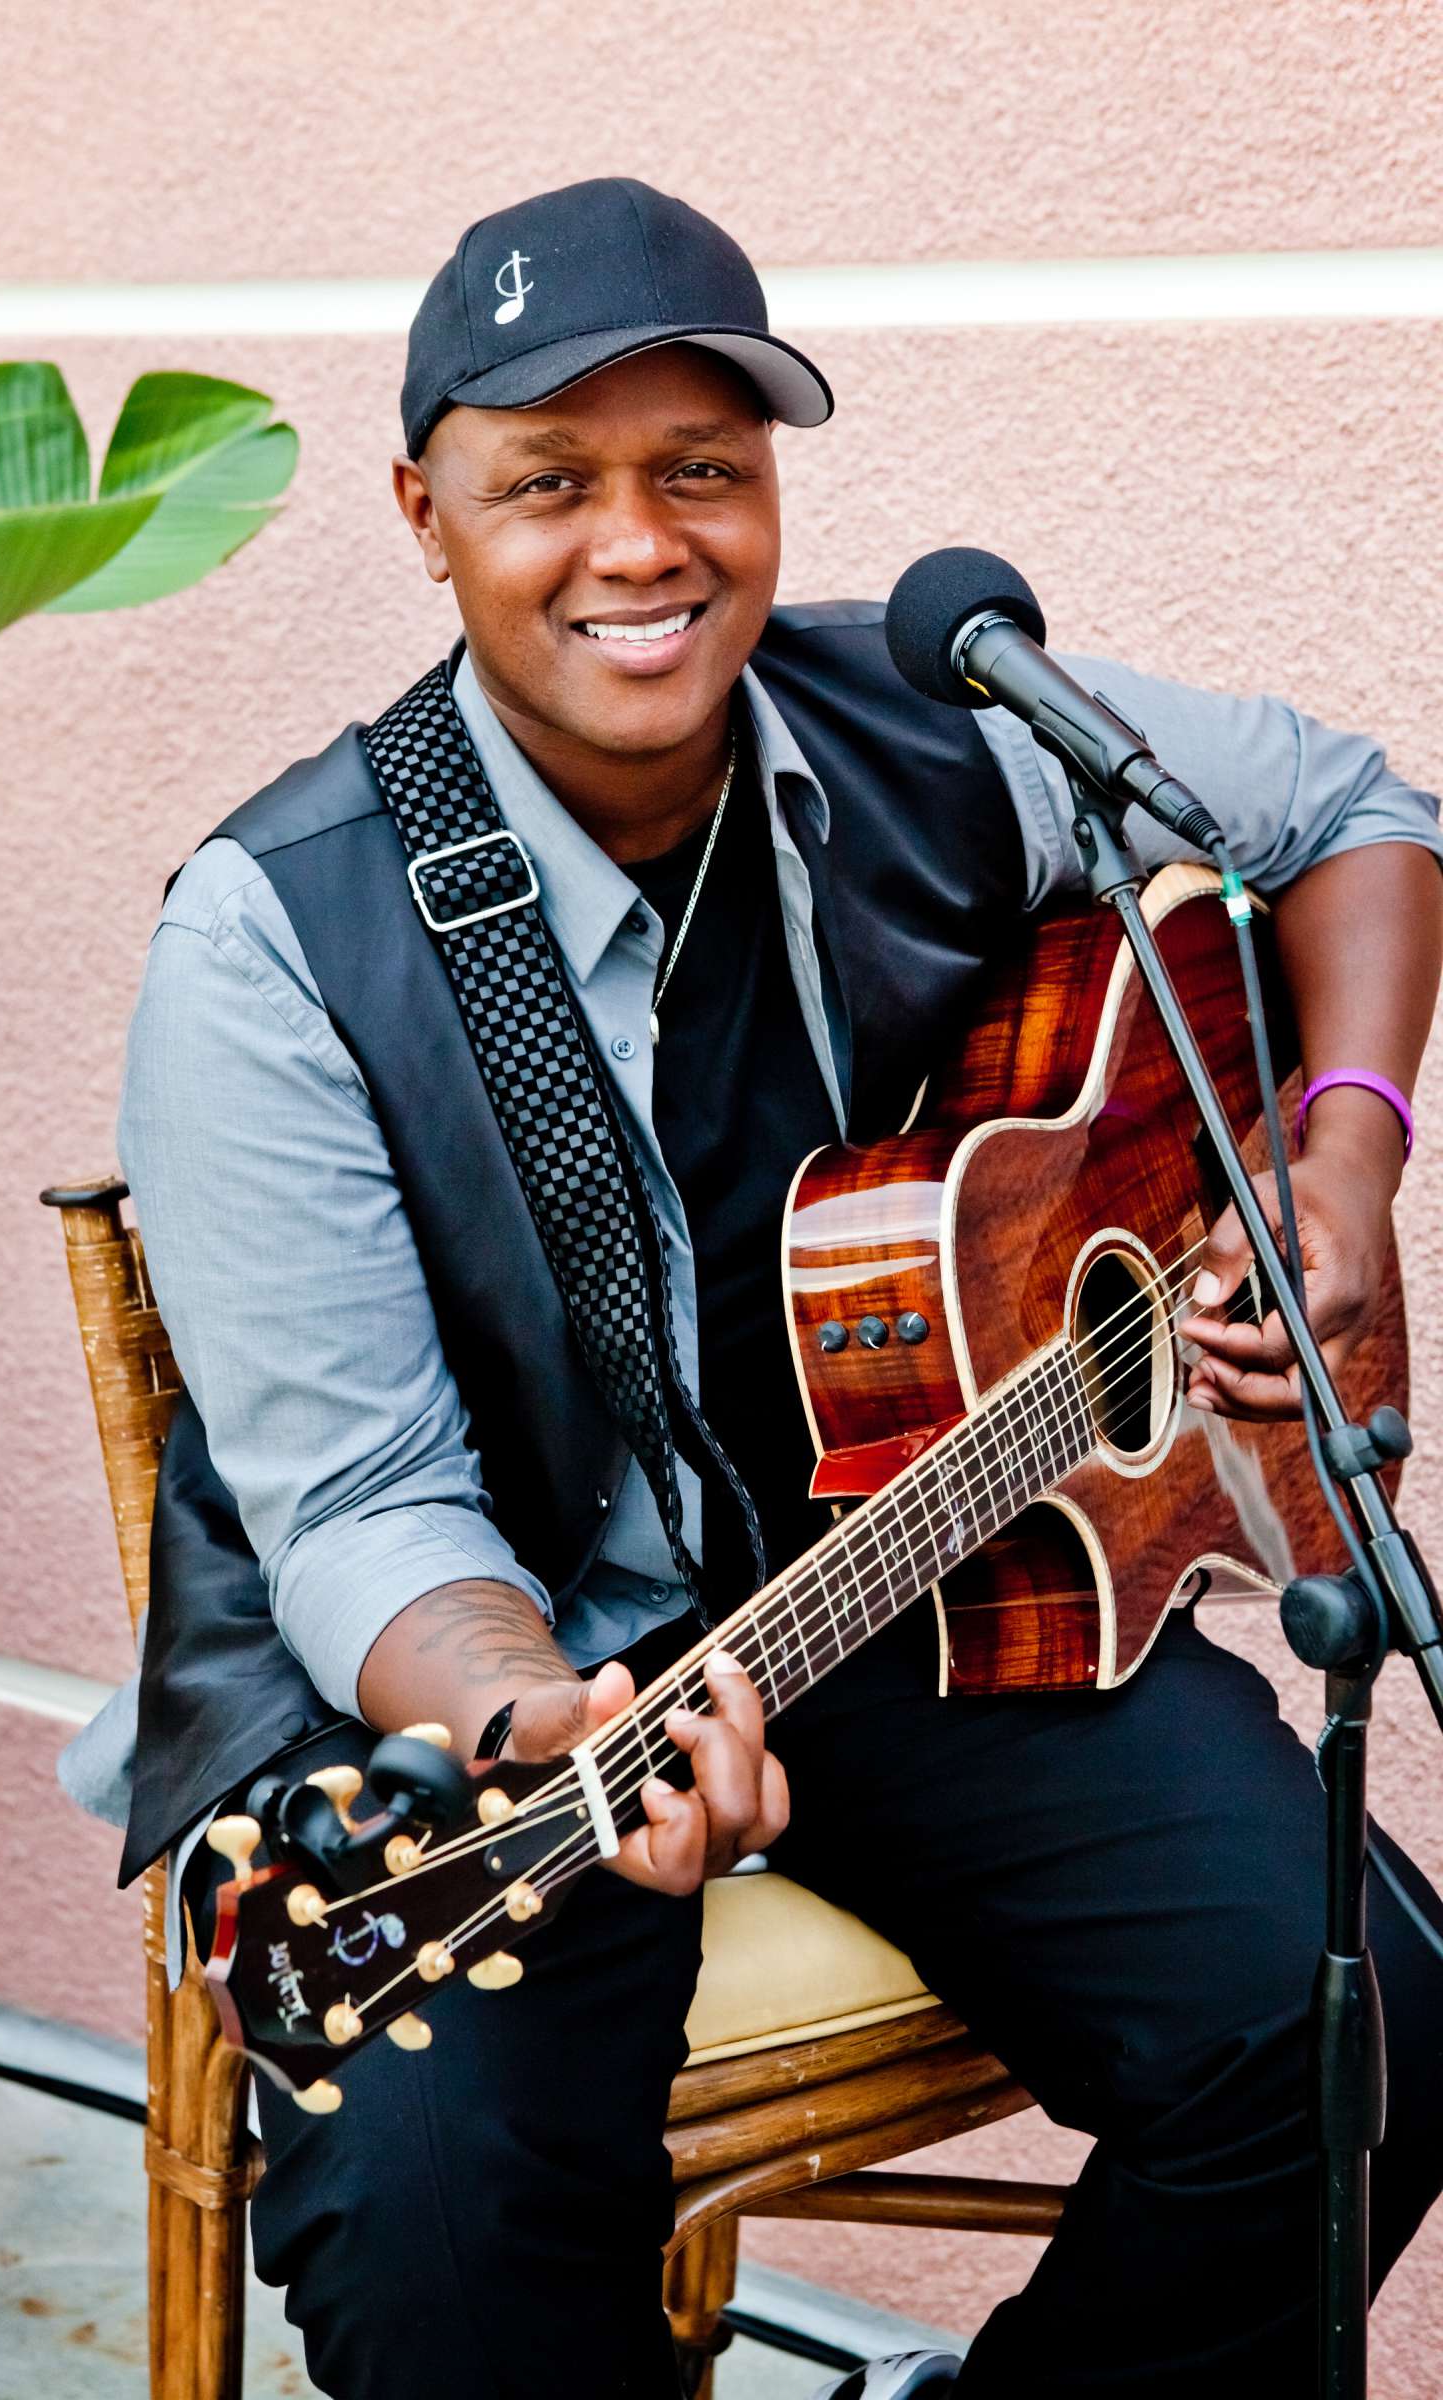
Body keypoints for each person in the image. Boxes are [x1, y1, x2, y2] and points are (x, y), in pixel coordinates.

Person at [83, 178, 1443, 2397]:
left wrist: (1338, 1153)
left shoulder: (932, 724)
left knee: (1359, 2015)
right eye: (549, 485)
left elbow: (1357, 815)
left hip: (897, 1570)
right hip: (478, 1712)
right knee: (439, 2244)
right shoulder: (277, 933)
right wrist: (544, 1720)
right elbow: (355, 1511)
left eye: (699, 471)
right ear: (425, 516)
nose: (640, 547)